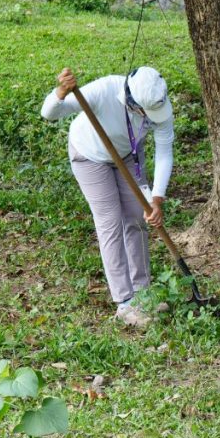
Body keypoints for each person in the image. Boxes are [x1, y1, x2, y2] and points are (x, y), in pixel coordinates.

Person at [41, 66, 174, 328]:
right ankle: (124, 302)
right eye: (143, 112)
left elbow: (164, 152)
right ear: (130, 100)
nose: (149, 117)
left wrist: (157, 198)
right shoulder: (104, 90)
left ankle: (143, 293)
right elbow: (49, 113)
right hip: (89, 156)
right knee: (110, 220)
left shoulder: (159, 103)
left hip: (126, 156)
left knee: (138, 216)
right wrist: (61, 91)